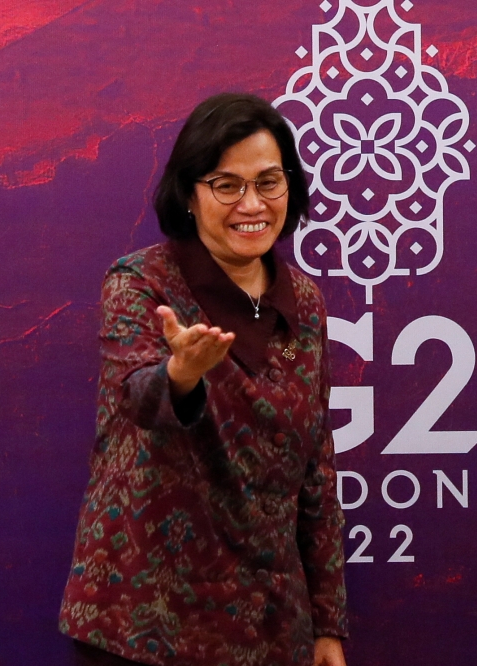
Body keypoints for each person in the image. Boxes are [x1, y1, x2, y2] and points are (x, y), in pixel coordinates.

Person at [59, 93, 348, 666]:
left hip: (268, 629)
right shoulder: (141, 283)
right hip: (140, 627)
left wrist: (326, 623)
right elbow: (139, 398)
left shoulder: (305, 303)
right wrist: (180, 376)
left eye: (269, 181)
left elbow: (315, 467)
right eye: (226, 184)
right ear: (189, 194)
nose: (252, 203)